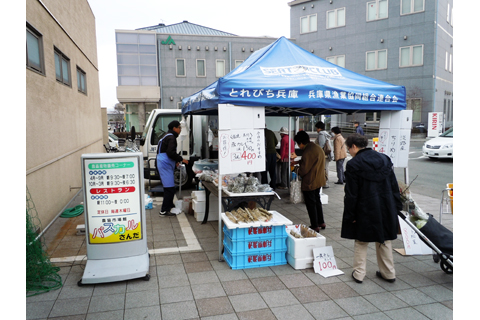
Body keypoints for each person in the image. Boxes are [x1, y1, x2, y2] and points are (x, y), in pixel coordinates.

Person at [341, 134, 402, 284]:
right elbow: (394, 185)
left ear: (354, 146)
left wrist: (350, 214)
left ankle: (359, 273)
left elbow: (351, 194)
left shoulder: (354, 164)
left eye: (349, 149)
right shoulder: (384, 159)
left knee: (361, 240)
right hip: (386, 205)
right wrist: (396, 206)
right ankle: (389, 273)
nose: (349, 152)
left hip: (365, 207)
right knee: (384, 239)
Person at [291, 131, 326, 231]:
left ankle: (315, 225)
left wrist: (296, 168)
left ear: (301, 142)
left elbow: (304, 170)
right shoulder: (316, 147)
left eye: (298, 144)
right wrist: (298, 161)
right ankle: (321, 222)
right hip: (319, 179)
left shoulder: (308, 151)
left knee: (311, 203)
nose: (299, 146)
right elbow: (310, 161)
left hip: (310, 181)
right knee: (317, 201)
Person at [156, 120, 189, 216]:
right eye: (179, 128)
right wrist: (182, 159)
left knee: (170, 187)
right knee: (169, 189)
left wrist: (175, 162)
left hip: (164, 163)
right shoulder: (171, 137)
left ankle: (170, 206)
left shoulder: (165, 136)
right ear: (174, 128)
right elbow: (170, 153)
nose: (180, 130)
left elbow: (166, 152)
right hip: (165, 164)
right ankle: (164, 210)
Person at [314, 121, 333, 188]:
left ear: (319, 128)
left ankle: (324, 182)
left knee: (324, 168)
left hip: (323, 155)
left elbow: (321, 146)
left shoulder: (321, 134)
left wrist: (318, 154)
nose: (316, 129)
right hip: (327, 154)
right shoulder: (325, 133)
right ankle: (325, 182)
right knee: (325, 168)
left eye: (317, 128)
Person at [262, 125, 278, 190]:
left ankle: (264, 187)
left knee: (264, 171)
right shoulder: (271, 132)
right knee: (273, 171)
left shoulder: (261, 133)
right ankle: (273, 186)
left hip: (266, 154)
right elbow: (276, 142)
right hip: (273, 153)